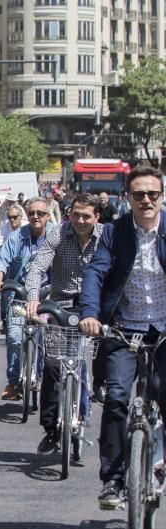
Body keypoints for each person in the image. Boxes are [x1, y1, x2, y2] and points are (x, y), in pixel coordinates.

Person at [80, 166, 166, 509]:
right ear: (127, 198)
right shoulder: (115, 233)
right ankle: (113, 480)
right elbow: (96, 272)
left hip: (163, 330)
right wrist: (90, 314)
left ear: (160, 197)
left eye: (153, 194)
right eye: (139, 195)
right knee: (116, 399)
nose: (146, 200)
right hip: (124, 329)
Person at [25, 193, 103, 456]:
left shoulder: (105, 237)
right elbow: (37, 268)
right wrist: (34, 300)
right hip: (61, 304)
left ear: (96, 217)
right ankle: (50, 429)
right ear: (68, 214)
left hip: (95, 308)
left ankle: (83, 414)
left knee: (87, 363)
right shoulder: (58, 234)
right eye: (76, 215)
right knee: (53, 365)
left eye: (86, 216)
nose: (80, 221)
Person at [0, 197, 58, 401]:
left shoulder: (57, 234)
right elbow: (3, 260)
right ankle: (13, 382)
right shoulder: (17, 236)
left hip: (48, 293)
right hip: (19, 294)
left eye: (40, 213)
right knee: (14, 337)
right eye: (32, 213)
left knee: (45, 340)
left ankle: (38, 376)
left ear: (48, 216)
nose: (35, 216)